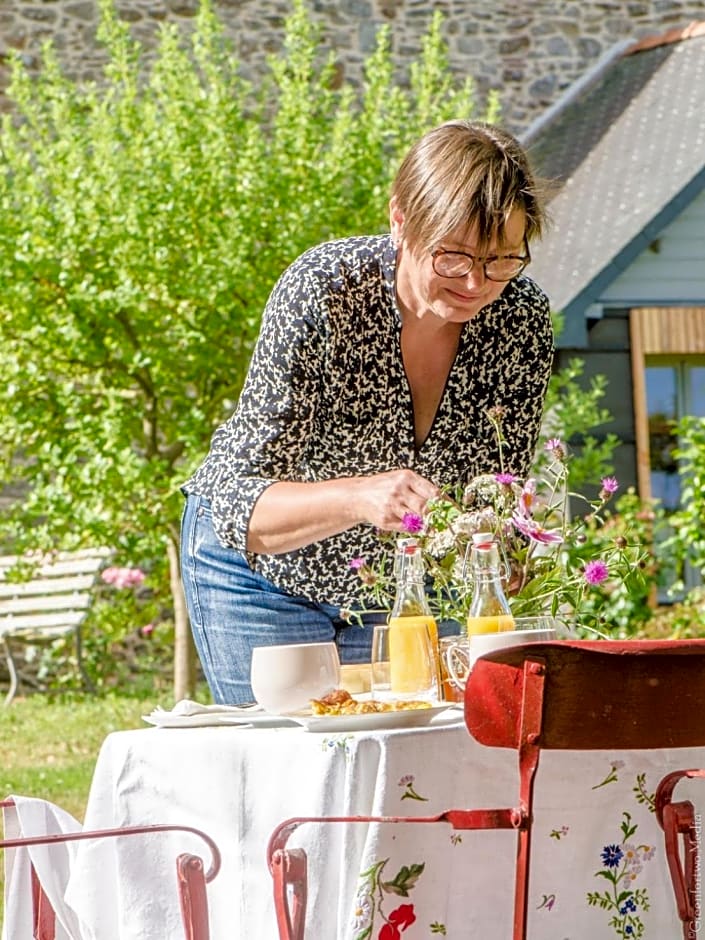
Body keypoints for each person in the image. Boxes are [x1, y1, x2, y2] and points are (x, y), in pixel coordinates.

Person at [180, 119, 554, 704]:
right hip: (259, 580)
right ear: (401, 220)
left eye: (503, 260)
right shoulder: (324, 291)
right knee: (290, 773)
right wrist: (362, 496)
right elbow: (238, 506)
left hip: (397, 593)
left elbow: (497, 490)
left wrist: (504, 550)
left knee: (402, 777)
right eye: (454, 256)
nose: (478, 283)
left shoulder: (521, 320)